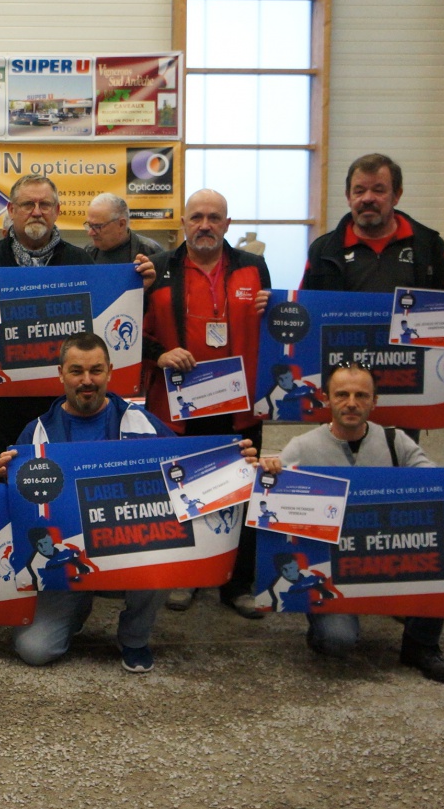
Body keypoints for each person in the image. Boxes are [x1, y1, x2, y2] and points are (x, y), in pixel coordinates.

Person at [259, 361, 444, 684]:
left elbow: (442, 486)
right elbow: (269, 503)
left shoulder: (395, 441)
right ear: (326, 399)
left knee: (439, 545)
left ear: (375, 401)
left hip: (387, 550)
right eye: (342, 394)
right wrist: (269, 471)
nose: (352, 403)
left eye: (361, 395)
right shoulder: (302, 447)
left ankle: (421, 646)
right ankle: (325, 624)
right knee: (336, 642)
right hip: (336, 562)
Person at [0, 174, 155, 457]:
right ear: (12, 210)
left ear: (57, 211)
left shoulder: (81, 262)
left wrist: (138, 290)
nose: (37, 211)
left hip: (64, 410)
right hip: (0, 413)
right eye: (28, 204)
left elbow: (110, 327)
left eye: (45, 204)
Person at [0, 333, 181, 672]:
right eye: (77, 371)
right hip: (66, 563)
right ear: (61, 374)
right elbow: (17, 511)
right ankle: (77, 604)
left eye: (96, 370)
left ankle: (134, 638)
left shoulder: (140, 422)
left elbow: (188, 466)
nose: (87, 380)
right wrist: (6, 480)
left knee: (167, 549)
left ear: (110, 371)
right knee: (34, 650)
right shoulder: (36, 434)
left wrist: (235, 458)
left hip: (128, 552)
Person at [143, 188, 271, 619]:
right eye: (196, 217)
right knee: (185, 490)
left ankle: (239, 584)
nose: (205, 225)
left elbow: (275, 328)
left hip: (239, 407)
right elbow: (131, 331)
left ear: (227, 224)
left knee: (242, 491)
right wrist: (157, 354)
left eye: (214, 217)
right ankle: (186, 575)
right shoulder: (159, 270)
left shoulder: (254, 268)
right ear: (182, 222)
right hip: (178, 409)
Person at [302, 154, 444, 327]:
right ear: (348, 197)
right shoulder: (322, 250)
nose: (367, 199)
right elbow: (301, 309)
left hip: (407, 360)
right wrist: (272, 305)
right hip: (342, 361)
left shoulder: (428, 245)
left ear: (396, 196)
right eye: (359, 191)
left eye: (378, 190)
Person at [84, 193, 162, 265]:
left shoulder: (151, 251)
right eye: (89, 226)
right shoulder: (88, 252)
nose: (90, 233)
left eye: (97, 226)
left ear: (121, 224)